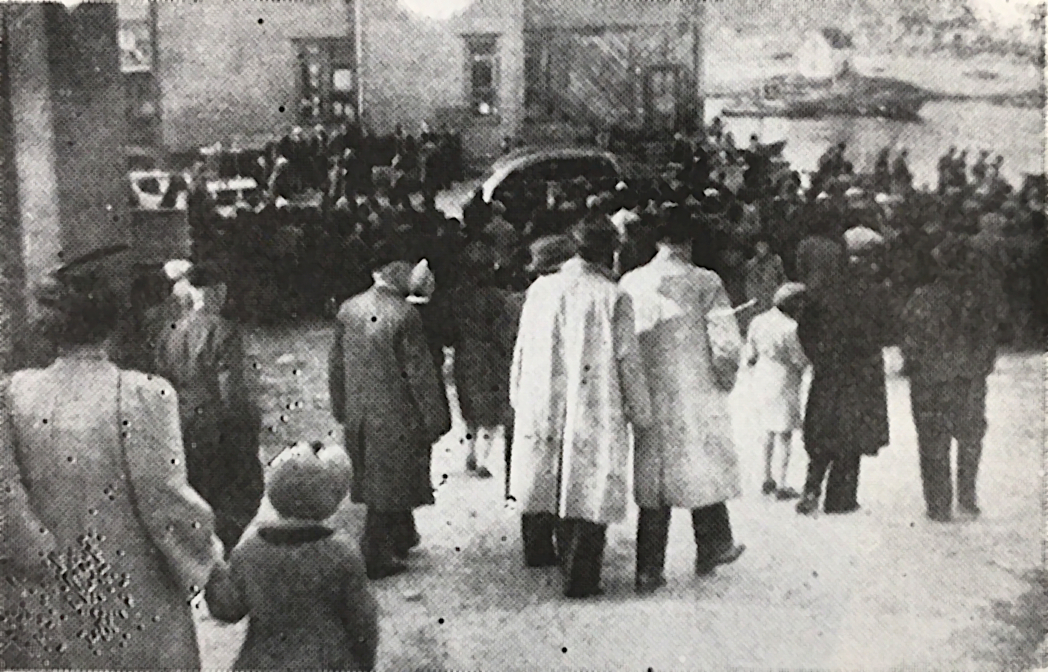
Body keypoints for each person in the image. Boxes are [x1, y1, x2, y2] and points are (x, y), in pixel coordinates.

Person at [1, 251, 221, 668]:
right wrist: (208, 561)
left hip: (46, 592)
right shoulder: (142, 395)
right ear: (113, 324)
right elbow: (167, 503)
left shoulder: (13, 394)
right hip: (129, 588)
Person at [509, 219, 652, 598]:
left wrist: (517, 394)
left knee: (544, 469)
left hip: (541, 396)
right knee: (587, 481)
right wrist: (641, 414)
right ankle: (580, 577)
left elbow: (520, 349)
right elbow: (628, 361)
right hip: (593, 403)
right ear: (610, 252)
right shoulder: (612, 296)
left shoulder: (541, 288)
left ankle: (538, 551)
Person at [619, 211, 746, 594]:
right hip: (695, 388)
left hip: (649, 390)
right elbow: (726, 343)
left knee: (655, 477)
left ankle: (648, 569)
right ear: (689, 242)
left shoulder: (631, 282)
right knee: (698, 464)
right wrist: (724, 380)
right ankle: (711, 546)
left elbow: (623, 345)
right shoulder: (706, 282)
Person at [205, 441, 379, 669]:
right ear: (332, 499)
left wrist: (212, 565)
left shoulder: (249, 551)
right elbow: (362, 621)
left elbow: (227, 609)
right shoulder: (342, 553)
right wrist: (364, 663)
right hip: (327, 661)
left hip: (264, 662)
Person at [328, 260, 450, 579]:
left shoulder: (348, 308)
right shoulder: (405, 315)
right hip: (398, 411)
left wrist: (340, 406)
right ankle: (376, 554)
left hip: (360, 409)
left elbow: (336, 365)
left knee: (376, 474)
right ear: (396, 276)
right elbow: (419, 372)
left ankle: (402, 535)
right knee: (392, 480)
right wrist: (435, 417)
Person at [153, 262, 264, 553]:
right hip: (218, 429)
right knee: (230, 502)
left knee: (198, 496)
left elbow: (164, 383)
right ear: (219, 291)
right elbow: (233, 395)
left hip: (183, 425)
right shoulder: (223, 331)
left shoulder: (170, 331)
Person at [900, 235, 1001, 521]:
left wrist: (916, 367)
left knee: (933, 442)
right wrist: (978, 368)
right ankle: (967, 498)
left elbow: (909, 340)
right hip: (967, 379)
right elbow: (989, 340)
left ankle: (938, 505)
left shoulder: (922, 297)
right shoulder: (979, 299)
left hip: (931, 381)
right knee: (970, 439)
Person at [795, 230, 892, 515]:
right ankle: (841, 498)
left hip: (829, 370)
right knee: (852, 432)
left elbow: (805, 327)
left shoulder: (824, 286)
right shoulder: (872, 291)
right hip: (861, 371)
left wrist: (819, 356)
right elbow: (887, 328)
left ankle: (812, 487)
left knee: (824, 427)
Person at [741, 282, 809, 500]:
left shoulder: (758, 321)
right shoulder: (790, 327)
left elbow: (750, 355)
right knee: (785, 433)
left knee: (767, 431)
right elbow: (797, 358)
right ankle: (782, 482)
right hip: (784, 379)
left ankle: (766, 477)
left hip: (763, 377)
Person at [452, 242, 513, 479]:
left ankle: (469, 451)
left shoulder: (458, 296)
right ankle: (484, 459)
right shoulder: (499, 299)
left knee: (469, 408)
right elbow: (503, 333)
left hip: (465, 354)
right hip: (490, 357)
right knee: (490, 410)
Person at [743, 240, 787, 333]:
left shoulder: (776, 261)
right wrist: (752, 299)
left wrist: (782, 294)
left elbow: (782, 278)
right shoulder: (751, 265)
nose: (762, 249)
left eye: (764, 245)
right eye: (759, 246)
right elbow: (749, 284)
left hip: (773, 295)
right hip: (759, 298)